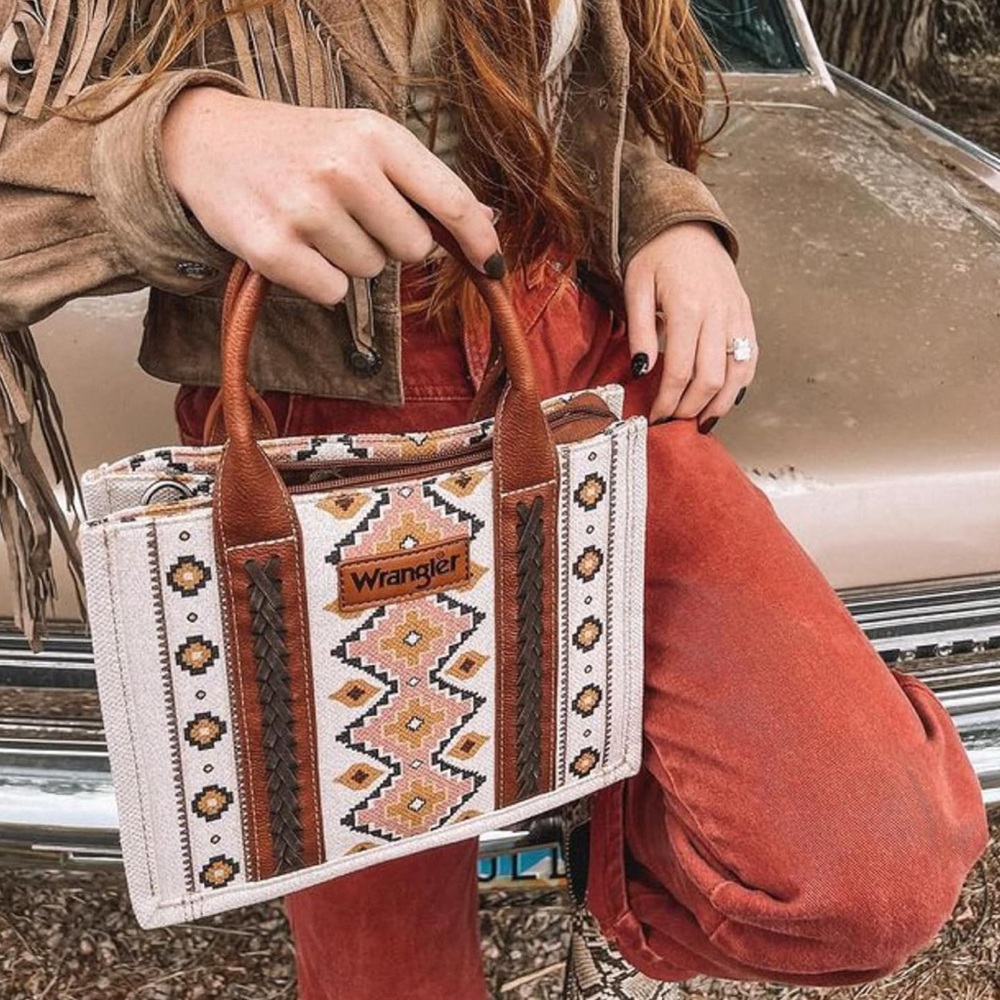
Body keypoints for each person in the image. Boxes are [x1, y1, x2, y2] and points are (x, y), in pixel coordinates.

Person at [0, 3, 987, 999]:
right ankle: (565, 771)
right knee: (392, 980)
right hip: (325, 435)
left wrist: (669, 218)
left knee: (863, 872)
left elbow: (557, 109)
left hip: (587, 370)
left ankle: (596, 816)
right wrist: (175, 141)